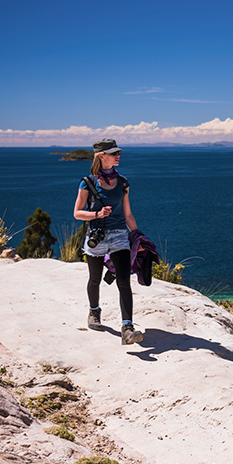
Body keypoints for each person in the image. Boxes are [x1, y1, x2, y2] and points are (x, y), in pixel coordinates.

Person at [73, 138, 144, 345]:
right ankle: (94, 312)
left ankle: (127, 328)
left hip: (120, 236)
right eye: (114, 153)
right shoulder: (87, 182)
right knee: (95, 279)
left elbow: (128, 214)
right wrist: (97, 214)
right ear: (100, 156)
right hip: (97, 236)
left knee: (124, 281)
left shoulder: (123, 182)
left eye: (118, 152)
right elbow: (77, 213)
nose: (118, 156)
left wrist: (138, 236)